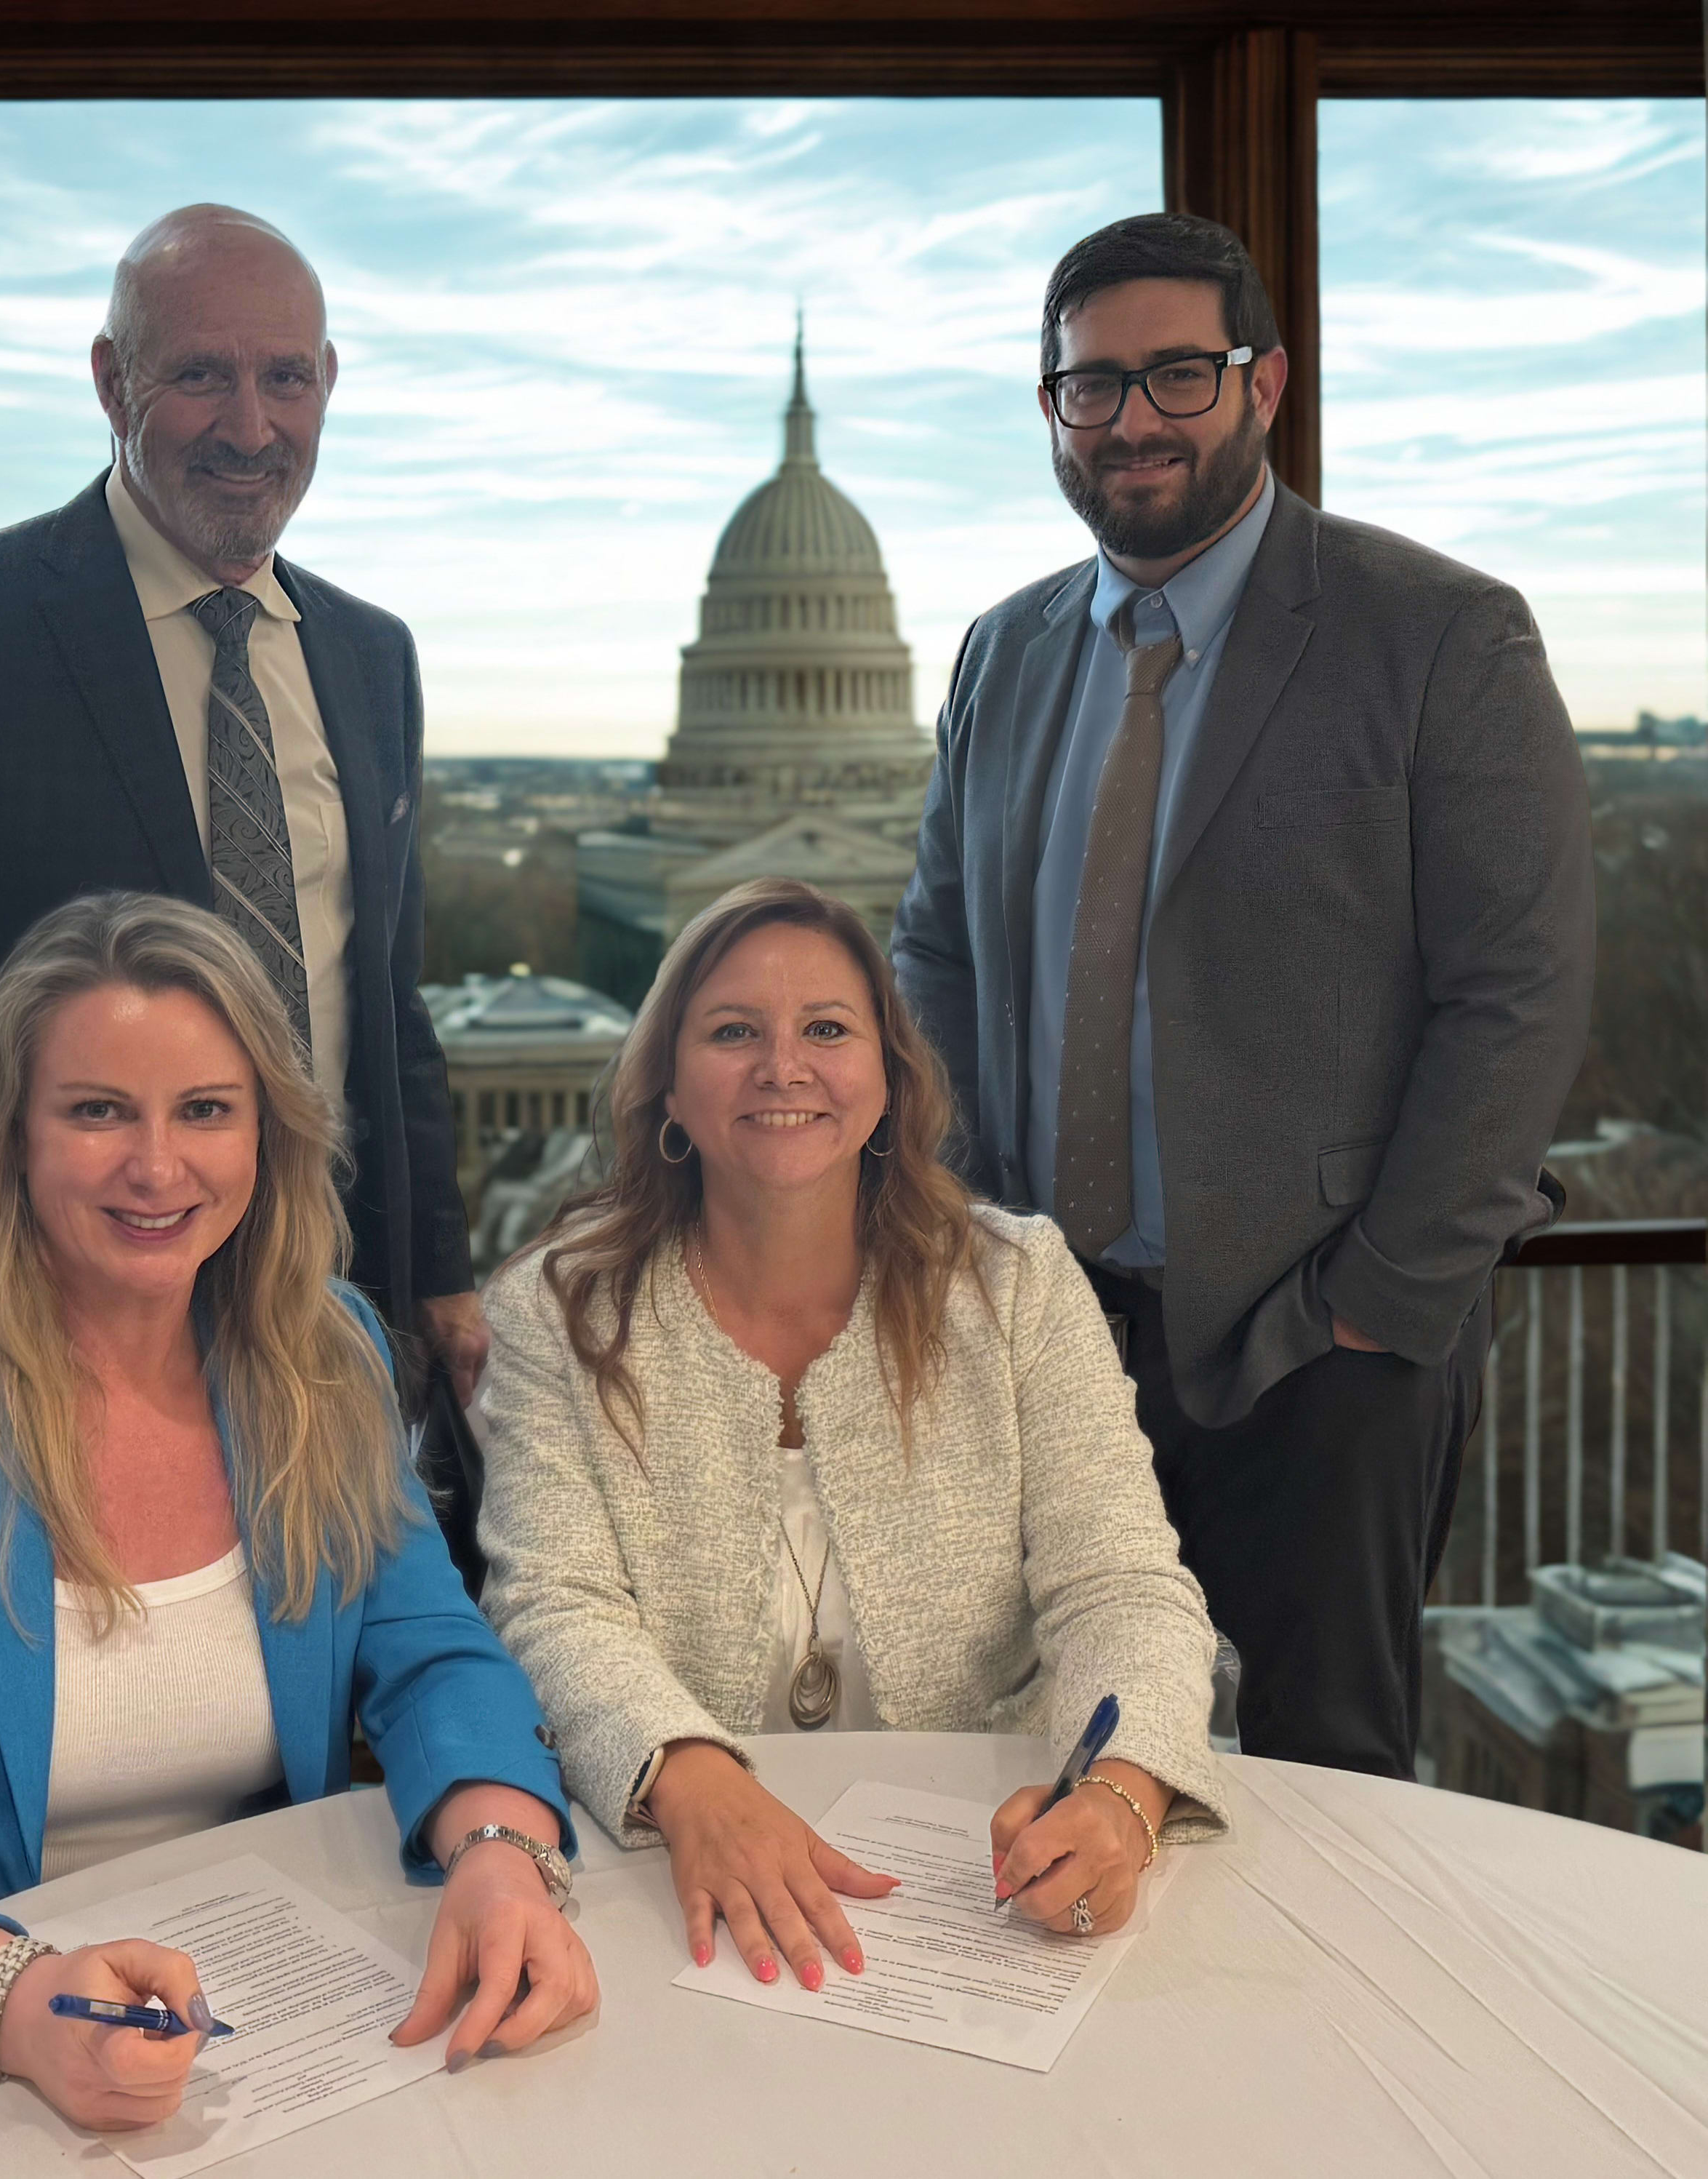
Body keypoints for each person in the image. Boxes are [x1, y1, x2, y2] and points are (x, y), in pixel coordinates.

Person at [0, 894, 595, 2122]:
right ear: (13, 1136)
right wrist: (16, 2007)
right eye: (98, 1110)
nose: (158, 1167)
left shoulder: (322, 1355)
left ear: (268, 1133)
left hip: (238, 2029)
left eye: (205, 1110)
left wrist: (502, 1851)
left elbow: (434, 1658)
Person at [891, 213, 1595, 1779]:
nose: (1130, 418)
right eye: (1090, 385)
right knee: (1041, 1754)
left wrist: (1377, 1302)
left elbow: (1518, 992)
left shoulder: (1436, 634)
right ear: (1052, 408)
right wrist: (958, 1219)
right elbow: (932, 953)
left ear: (1263, 384)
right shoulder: (1003, 654)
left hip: (1321, 1343)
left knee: (1324, 1772)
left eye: (1177, 375)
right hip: (1046, 1328)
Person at [0, 202, 485, 1538]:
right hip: (20, 1336)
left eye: (286, 378)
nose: (251, 426)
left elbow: (384, 1006)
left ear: (330, 384)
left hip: (321, 1329)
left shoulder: (370, 654)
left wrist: (439, 1275)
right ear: (113, 382)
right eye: (201, 375)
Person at [478, 879, 1227, 1989]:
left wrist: (1122, 1792)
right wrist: (689, 1777)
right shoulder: (559, 1309)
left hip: (980, 1877)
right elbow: (551, 1606)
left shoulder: (1017, 1286)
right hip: (672, 1880)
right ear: (669, 1088)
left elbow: (1121, 1586)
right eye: (734, 1032)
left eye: (827, 1029)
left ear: (889, 1079)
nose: (784, 1067)